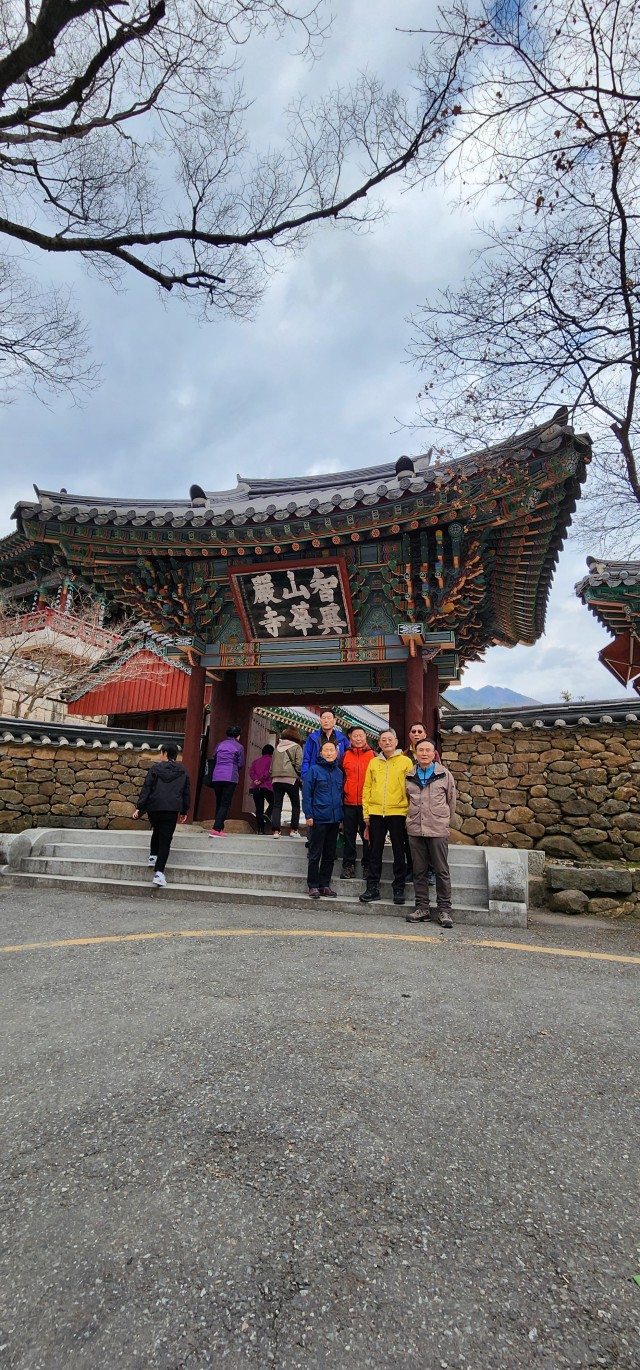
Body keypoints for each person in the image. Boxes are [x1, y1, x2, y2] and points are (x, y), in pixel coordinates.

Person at [405, 737, 456, 928]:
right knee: (419, 871)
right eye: (421, 750)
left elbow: (451, 801)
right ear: (416, 753)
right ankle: (422, 908)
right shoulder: (410, 775)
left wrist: (442, 820)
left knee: (441, 871)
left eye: (428, 750)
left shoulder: (444, 775)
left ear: (434, 754)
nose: (424, 753)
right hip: (415, 828)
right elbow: (406, 799)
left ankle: (444, 910)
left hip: (437, 829)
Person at [359, 728, 413, 906]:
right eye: (384, 740)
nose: (387, 742)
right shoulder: (374, 762)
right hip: (376, 812)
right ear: (379, 743)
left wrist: (409, 812)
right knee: (375, 851)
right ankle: (372, 887)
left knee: (399, 850)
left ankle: (399, 888)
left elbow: (411, 789)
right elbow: (367, 788)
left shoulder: (406, 762)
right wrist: (366, 813)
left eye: (390, 739)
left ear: (396, 742)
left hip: (398, 812)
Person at [132, 742, 191, 887]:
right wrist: (184, 810)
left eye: (161, 753)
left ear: (165, 753)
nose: (160, 756)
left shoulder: (155, 769)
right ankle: (159, 873)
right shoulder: (183, 771)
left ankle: (153, 856)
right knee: (165, 840)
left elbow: (147, 789)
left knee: (157, 830)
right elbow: (186, 792)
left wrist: (140, 808)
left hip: (154, 807)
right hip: (172, 809)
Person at [302, 739, 344, 898]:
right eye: (326, 750)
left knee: (329, 854)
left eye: (332, 750)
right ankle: (312, 885)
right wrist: (309, 814)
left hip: (334, 819)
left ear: (336, 753)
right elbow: (307, 794)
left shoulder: (339, 772)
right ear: (320, 753)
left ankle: (324, 885)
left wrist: (341, 817)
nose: (329, 753)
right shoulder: (314, 770)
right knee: (315, 853)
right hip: (318, 817)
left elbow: (340, 796)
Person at [340, 725, 374, 878]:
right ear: (350, 737)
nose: (358, 738)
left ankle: (367, 866)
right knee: (349, 837)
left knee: (368, 837)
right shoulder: (345, 756)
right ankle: (348, 866)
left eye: (361, 735)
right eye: (355, 736)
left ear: (366, 737)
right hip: (349, 803)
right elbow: (341, 778)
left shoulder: (373, 755)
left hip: (367, 804)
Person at [207, 725, 244, 836]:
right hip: (230, 776)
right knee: (225, 803)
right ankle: (216, 828)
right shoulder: (239, 747)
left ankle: (220, 828)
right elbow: (240, 764)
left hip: (216, 776)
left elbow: (213, 758)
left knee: (219, 802)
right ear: (238, 736)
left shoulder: (220, 745)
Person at [270, 726, 303, 838]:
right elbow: (299, 765)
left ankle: (275, 831)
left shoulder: (277, 748)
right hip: (291, 779)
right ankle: (293, 830)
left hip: (276, 779)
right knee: (295, 805)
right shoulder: (297, 747)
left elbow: (271, 766)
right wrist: (300, 775)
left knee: (277, 805)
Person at [301, 708, 348, 779]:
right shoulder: (313, 738)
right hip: (316, 776)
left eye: (329, 718)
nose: (326, 721)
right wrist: (305, 777)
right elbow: (306, 759)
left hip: (336, 776)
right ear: (320, 720)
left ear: (334, 721)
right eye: (323, 718)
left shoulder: (342, 739)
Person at [249, 743, 274, 834]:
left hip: (256, 787)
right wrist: (261, 780)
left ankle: (260, 829)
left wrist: (256, 780)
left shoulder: (255, 761)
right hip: (267, 786)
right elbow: (269, 772)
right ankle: (268, 814)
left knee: (259, 809)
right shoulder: (272, 761)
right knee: (274, 802)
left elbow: (251, 772)